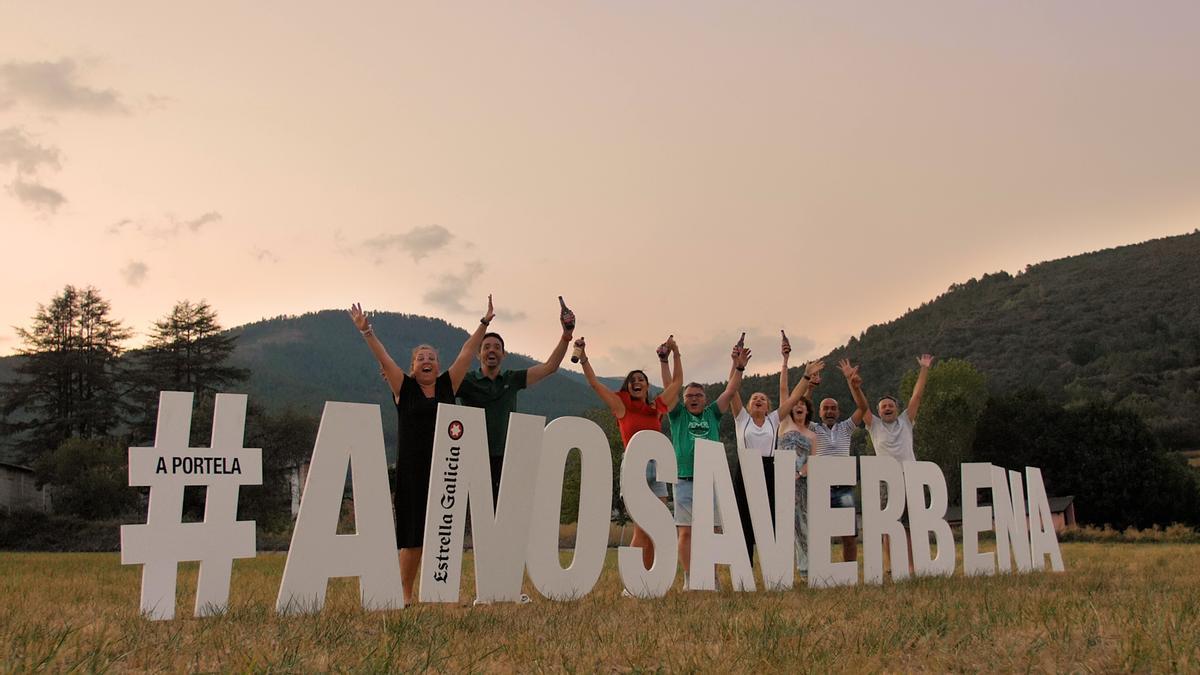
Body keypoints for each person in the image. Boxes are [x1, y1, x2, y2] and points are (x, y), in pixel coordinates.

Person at [347, 296, 493, 605]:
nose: (426, 361)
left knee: (444, 534)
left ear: (438, 365)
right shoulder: (404, 387)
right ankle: (405, 594)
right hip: (413, 473)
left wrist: (484, 323)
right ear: (413, 367)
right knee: (412, 537)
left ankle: (441, 593)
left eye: (431, 357)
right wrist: (366, 331)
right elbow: (384, 357)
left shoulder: (447, 386)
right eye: (420, 358)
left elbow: (467, 352)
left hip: (446, 472)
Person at [575, 335, 683, 574]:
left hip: (658, 466)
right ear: (628, 386)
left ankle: (650, 580)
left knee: (657, 527)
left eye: (642, 379)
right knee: (642, 528)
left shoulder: (656, 407)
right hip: (636, 466)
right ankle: (634, 580)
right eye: (633, 380)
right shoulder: (621, 406)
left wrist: (675, 353)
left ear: (646, 386)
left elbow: (677, 382)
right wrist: (584, 359)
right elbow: (595, 384)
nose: (637, 382)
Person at [456, 299, 576, 501]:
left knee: (506, 511)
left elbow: (549, 367)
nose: (491, 350)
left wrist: (566, 336)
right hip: (475, 457)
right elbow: (439, 385)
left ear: (504, 354)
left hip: (507, 457)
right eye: (486, 347)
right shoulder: (465, 381)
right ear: (478, 355)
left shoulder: (513, 379)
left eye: (496, 347)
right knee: (477, 512)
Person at [728, 332, 820, 563]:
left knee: (771, 518)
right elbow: (732, 390)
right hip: (746, 469)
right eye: (754, 398)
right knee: (744, 518)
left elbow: (794, 396)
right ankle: (745, 568)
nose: (758, 400)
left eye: (762, 398)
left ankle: (775, 567)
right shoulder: (741, 419)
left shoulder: (773, 420)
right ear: (748, 406)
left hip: (769, 468)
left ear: (768, 406)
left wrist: (806, 377)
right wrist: (736, 365)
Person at [666, 340, 749, 584]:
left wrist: (739, 368)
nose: (693, 399)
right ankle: (691, 577)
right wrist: (667, 359)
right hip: (683, 480)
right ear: (683, 400)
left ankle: (711, 577)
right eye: (689, 396)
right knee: (686, 532)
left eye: (698, 395)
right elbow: (671, 385)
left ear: (705, 399)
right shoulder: (677, 415)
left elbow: (730, 391)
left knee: (711, 532)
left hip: (710, 480)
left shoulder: (712, 412)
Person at [848, 354, 934, 576]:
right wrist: (852, 383)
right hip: (887, 480)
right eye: (883, 406)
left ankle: (912, 566)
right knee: (888, 525)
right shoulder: (874, 425)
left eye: (890, 405)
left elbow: (917, 395)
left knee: (911, 525)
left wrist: (924, 369)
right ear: (878, 411)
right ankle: (890, 566)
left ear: (897, 409)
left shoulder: (906, 421)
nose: (887, 408)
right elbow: (860, 404)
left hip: (910, 477)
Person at [799, 358, 869, 573]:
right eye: (825, 408)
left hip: (844, 489)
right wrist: (810, 387)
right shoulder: (812, 429)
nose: (829, 411)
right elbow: (800, 410)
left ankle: (848, 572)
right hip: (820, 489)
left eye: (833, 408)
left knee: (849, 533)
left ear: (838, 412)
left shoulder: (846, 428)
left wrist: (852, 384)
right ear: (819, 412)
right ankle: (821, 571)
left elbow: (863, 407)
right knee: (819, 533)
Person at [771, 337, 822, 578]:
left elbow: (813, 459)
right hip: (781, 479)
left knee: (803, 524)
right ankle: (778, 569)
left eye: (803, 404)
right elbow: (784, 390)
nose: (798, 406)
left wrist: (800, 474)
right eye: (795, 403)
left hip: (801, 483)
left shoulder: (812, 434)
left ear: (807, 409)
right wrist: (785, 360)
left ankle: (805, 569)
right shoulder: (784, 424)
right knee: (779, 524)